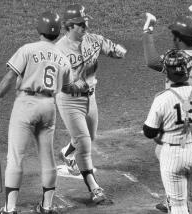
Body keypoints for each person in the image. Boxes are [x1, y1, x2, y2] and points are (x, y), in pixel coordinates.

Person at [0, 11, 88, 214]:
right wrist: (82, 86)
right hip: (49, 108)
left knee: (16, 157)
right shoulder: (63, 57)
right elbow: (68, 88)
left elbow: (8, 78)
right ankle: (47, 206)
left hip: (26, 105)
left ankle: (10, 208)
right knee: (47, 157)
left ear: (39, 29)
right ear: (59, 31)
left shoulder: (27, 49)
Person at [142, 5, 192, 212]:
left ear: (178, 39)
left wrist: (147, 31)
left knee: (165, 149)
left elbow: (151, 61)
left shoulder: (176, 59)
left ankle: (173, 200)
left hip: (175, 106)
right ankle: (176, 197)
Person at [55, 4, 127, 204]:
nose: (85, 25)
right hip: (70, 102)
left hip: (91, 99)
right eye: (80, 24)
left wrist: (117, 51)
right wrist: (84, 78)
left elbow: (115, 50)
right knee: (85, 145)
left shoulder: (93, 40)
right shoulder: (59, 51)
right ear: (68, 26)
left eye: (85, 21)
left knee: (90, 137)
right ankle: (94, 188)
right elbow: (64, 87)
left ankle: (67, 152)